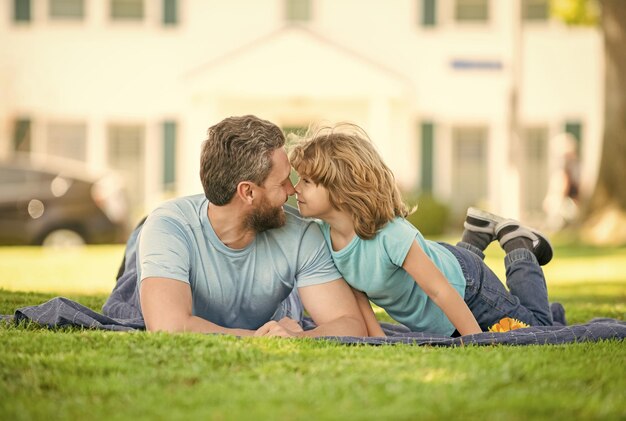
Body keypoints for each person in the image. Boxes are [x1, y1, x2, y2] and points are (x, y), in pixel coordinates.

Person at [289, 123, 564, 337]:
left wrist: (474, 340)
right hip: (439, 268)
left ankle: (518, 245)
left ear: (342, 189)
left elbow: (440, 291)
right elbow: (356, 293)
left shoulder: (390, 236)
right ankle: (476, 234)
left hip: (468, 291)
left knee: (536, 329)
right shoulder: (323, 236)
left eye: (307, 181)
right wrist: (378, 339)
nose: (295, 187)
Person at [136, 115, 366, 337]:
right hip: (157, 238)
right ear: (248, 192)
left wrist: (294, 337)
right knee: (137, 254)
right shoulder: (170, 227)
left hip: (282, 302)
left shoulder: (302, 233)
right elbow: (168, 326)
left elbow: (350, 324)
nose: (292, 190)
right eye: (282, 181)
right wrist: (260, 337)